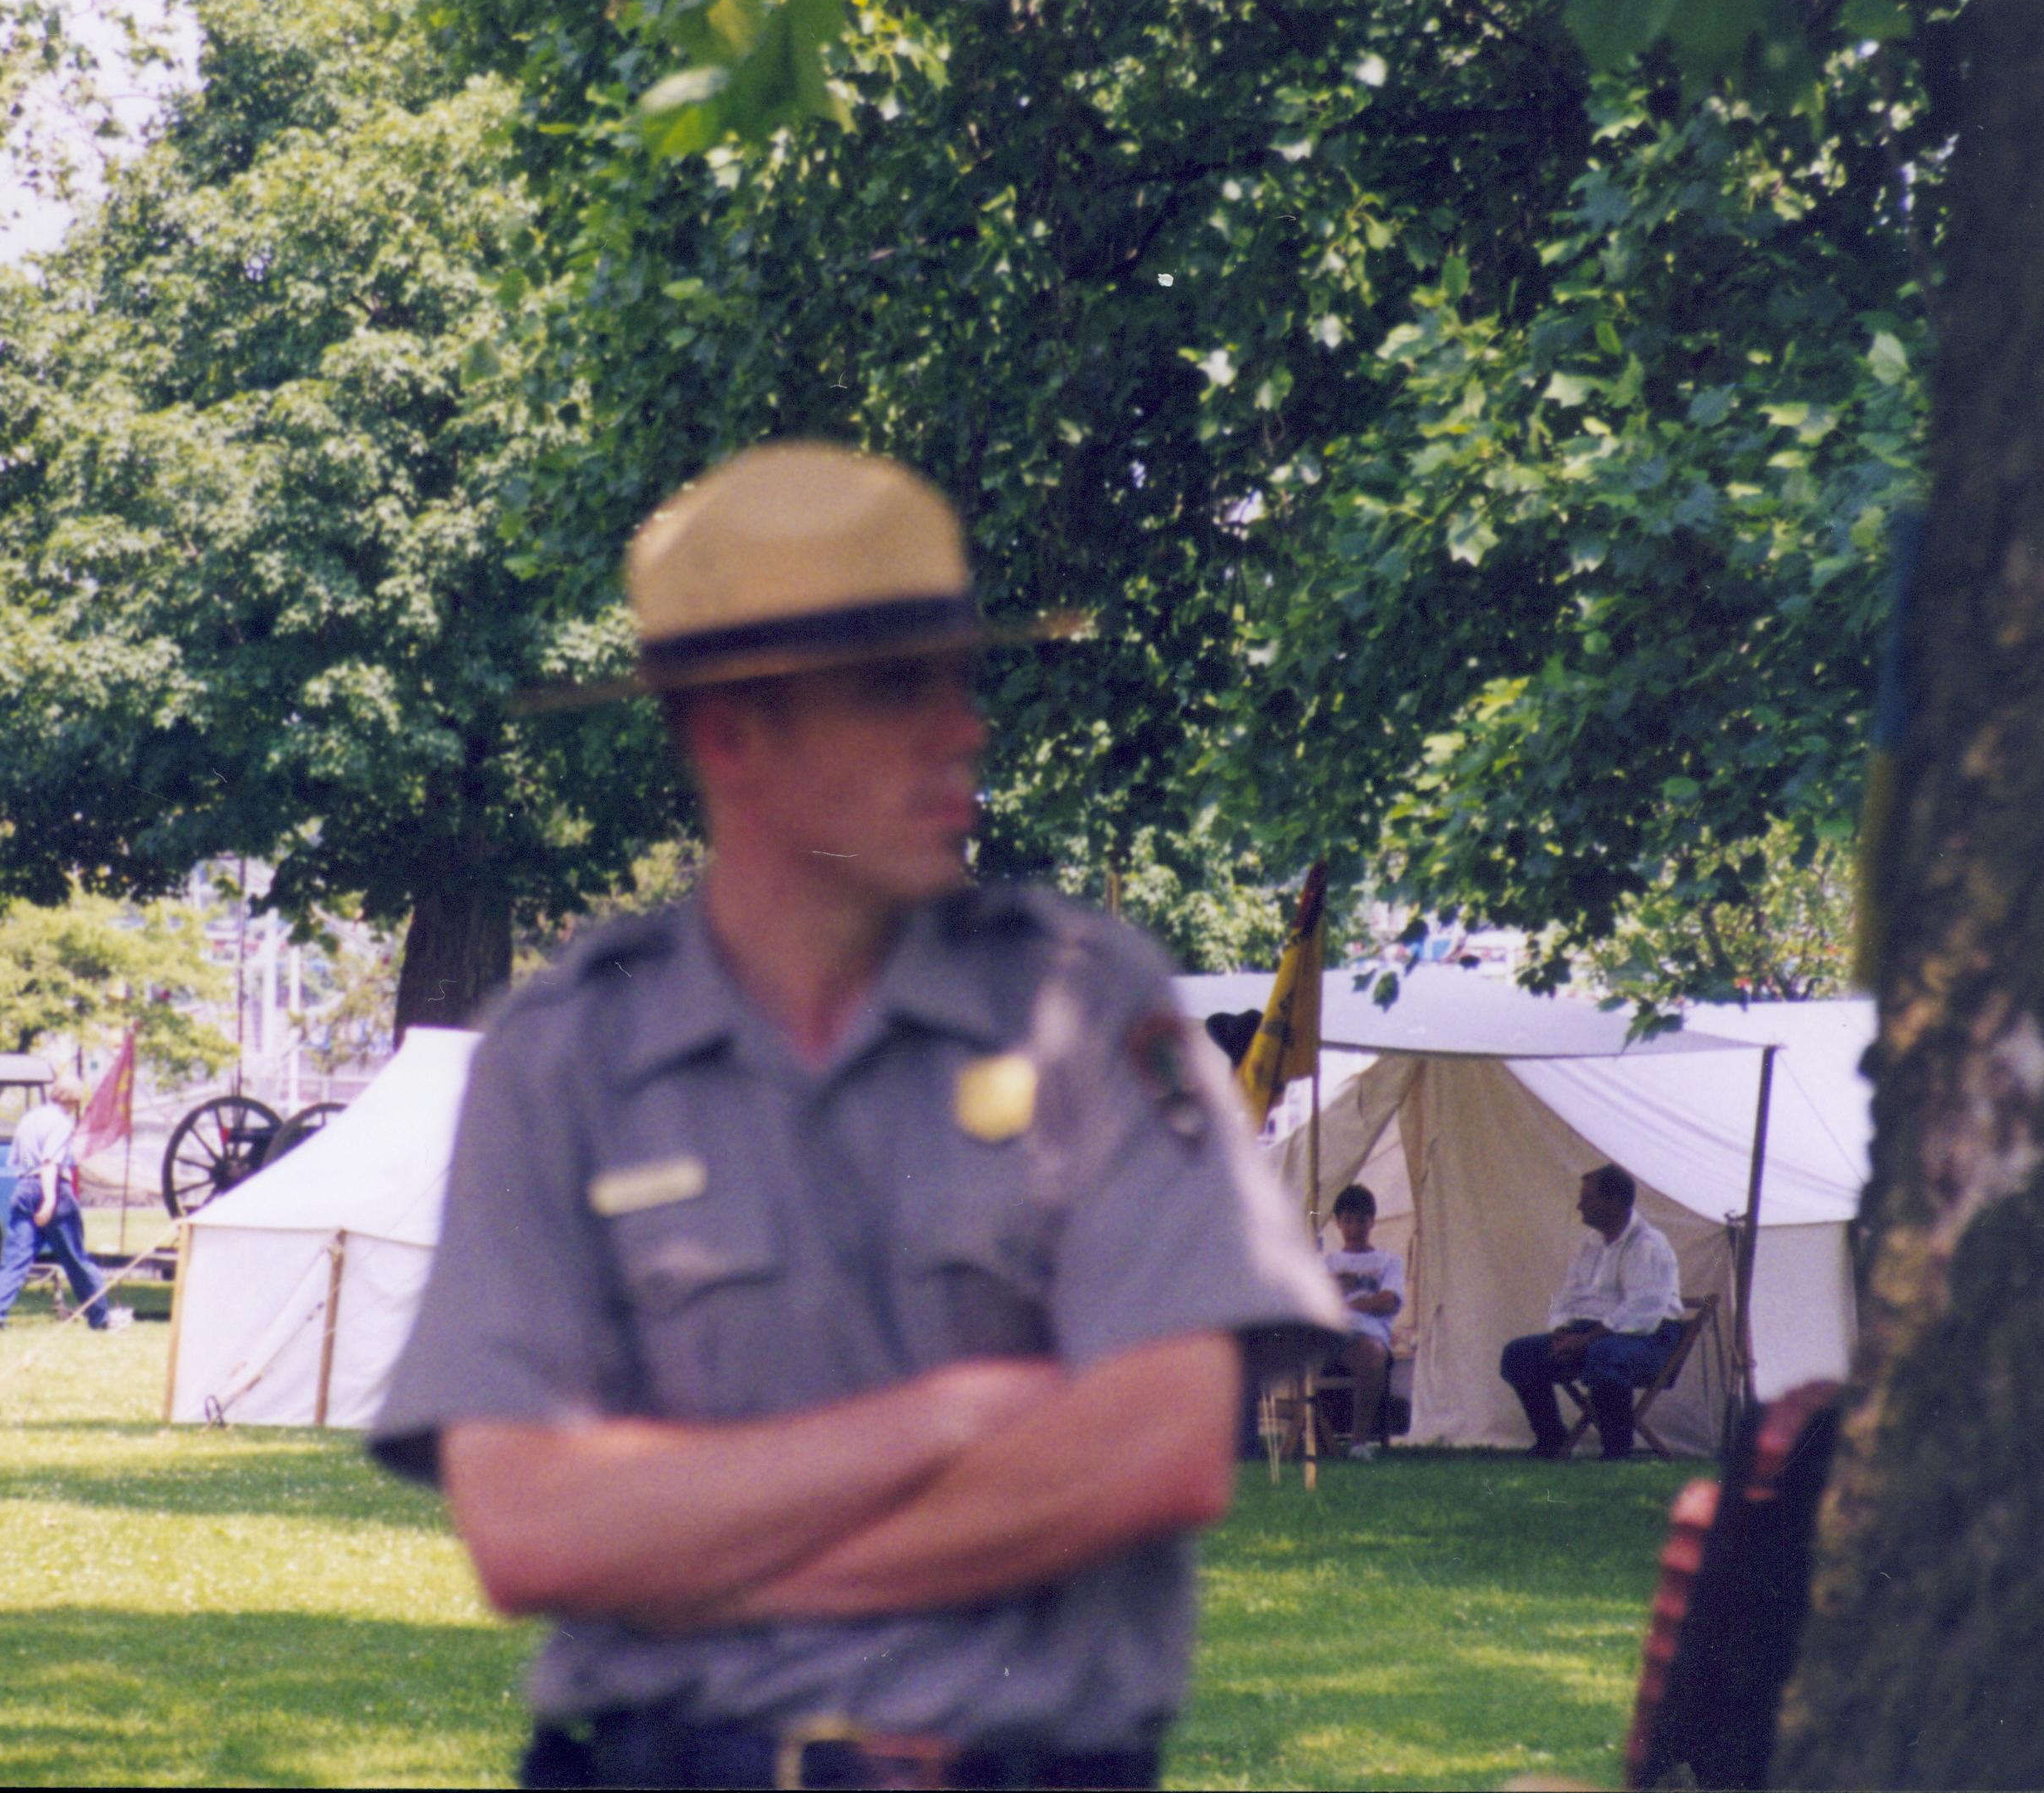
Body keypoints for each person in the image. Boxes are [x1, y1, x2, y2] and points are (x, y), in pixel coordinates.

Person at [370, 440, 1348, 1790]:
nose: (963, 726)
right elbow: (531, 1531)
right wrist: (946, 1416)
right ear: (732, 734)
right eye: (897, 688)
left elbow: (1158, 1451)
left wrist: (684, 1539)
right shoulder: (565, 1056)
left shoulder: (1081, 1004)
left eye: (960, 676)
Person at [1498, 1163, 1684, 1458]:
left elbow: (1641, 1310)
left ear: (1615, 1202)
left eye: (1588, 1198)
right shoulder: (1591, 1244)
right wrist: (1561, 1332)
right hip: (1594, 1335)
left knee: (1604, 1354)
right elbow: (1568, 1297)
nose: (1579, 1205)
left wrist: (1584, 1341)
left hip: (1648, 1340)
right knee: (1519, 1355)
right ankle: (1552, 1439)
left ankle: (1617, 1449)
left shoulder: (1647, 1244)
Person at [0, 1073, 130, 1332]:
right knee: (75, 1258)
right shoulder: (61, 1123)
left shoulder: (29, 1118)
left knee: (16, 1259)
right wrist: (49, 1200)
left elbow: (16, 1160)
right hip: (51, 1189)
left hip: (24, 1187)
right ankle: (101, 1316)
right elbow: (50, 1162)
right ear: (73, 1102)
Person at [1319, 1183, 1404, 1458]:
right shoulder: (1326, 1263)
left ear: (1372, 1222)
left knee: (1372, 1352)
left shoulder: (1389, 1262)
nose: (1355, 1228)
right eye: (1348, 1220)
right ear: (1338, 1223)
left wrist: (1348, 1302)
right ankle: (1314, 1433)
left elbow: (1389, 1300)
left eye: (1361, 1220)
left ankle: (1358, 1442)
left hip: (1368, 1335)